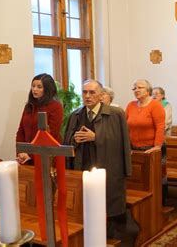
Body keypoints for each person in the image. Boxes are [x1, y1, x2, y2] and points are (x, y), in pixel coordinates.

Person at [63, 80, 136, 244]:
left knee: (108, 207)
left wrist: (96, 137)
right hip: (83, 166)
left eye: (92, 92)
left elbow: (122, 142)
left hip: (108, 167)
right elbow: (66, 141)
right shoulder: (75, 115)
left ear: (101, 95)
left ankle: (108, 239)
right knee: (86, 207)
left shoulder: (116, 114)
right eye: (84, 92)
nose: (87, 96)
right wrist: (74, 139)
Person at [126, 79, 167, 203]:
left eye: (140, 87)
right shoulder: (130, 105)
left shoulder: (155, 105)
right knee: (138, 178)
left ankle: (159, 202)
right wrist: (127, 146)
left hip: (152, 147)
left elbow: (160, 127)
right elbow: (125, 126)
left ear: (148, 90)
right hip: (134, 148)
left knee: (156, 177)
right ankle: (143, 204)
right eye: (134, 88)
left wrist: (157, 147)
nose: (136, 90)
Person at [16, 73, 63, 165]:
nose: (34, 89)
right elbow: (21, 130)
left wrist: (30, 154)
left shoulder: (55, 106)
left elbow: (51, 135)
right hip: (26, 156)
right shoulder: (29, 106)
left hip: (46, 156)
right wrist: (21, 152)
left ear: (47, 89)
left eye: (39, 87)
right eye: (33, 86)